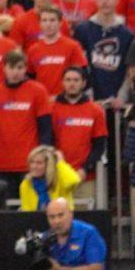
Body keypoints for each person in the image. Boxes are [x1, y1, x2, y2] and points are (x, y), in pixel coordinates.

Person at [5, 198, 108, 270]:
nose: (57, 221)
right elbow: (24, 246)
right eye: (52, 217)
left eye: (60, 215)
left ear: (70, 214)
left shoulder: (88, 232)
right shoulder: (46, 236)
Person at [0, 50, 53, 192]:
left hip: (31, 164)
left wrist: (44, 157)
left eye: (19, 67)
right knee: (7, 210)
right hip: (3, 163)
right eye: (11, 68)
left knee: (32, 208)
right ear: (4, 68)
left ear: (25, 68)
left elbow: (45, 127)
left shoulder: (38, 91)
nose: (15, 72)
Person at [50, 68, 108, 205]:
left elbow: (99, 145)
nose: (72, 84)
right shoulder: (51, 108)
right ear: (62, 83)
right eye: (68, 80)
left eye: (76, 80)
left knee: (85, 219)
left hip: (85, 177)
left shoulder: (95, 111)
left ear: (83, 83)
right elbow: (48, 141)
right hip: (58, 176)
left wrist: (85, 168)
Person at [19, 145, 81, 211]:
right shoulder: (26, 184)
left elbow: (74, 180)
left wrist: (60, 162)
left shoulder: (60, 180)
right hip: (36, 220)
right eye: (32, 162)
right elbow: (27, 211)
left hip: (62, 220)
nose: (34, 166)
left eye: (39, 163)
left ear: (49, 165)